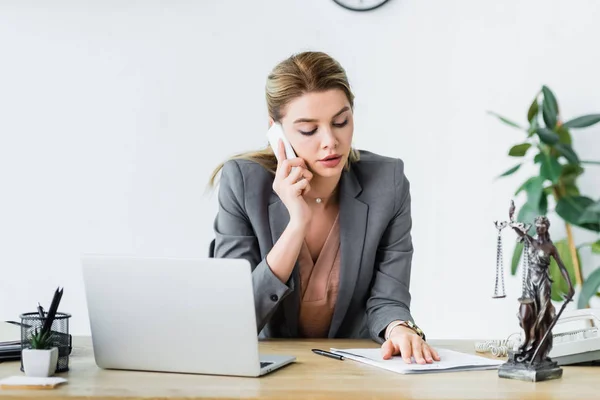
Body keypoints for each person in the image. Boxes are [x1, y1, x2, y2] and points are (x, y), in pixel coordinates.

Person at [209, 51, 439, 364]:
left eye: (341, 122)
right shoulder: (243, 182)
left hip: (353, 372)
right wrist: (296, 224)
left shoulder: (388, 182)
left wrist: (399, 329)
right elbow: (231, 317)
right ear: (275, 130)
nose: (330, 141)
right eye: (308, 129)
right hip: (266, 371)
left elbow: (388, 297)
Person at [509, 215, 574, 365]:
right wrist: (511, 221)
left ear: (546, 228)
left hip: (543, 282)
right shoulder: (530, 240)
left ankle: (537, 345)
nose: (538, 228)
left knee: (543, 313)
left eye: (542, 226)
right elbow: (519, 232)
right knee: (525, 315)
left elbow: (562, 267)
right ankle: (527, 340)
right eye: (537, 225)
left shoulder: (550, 247)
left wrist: (570, 286)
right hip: (529, 282)